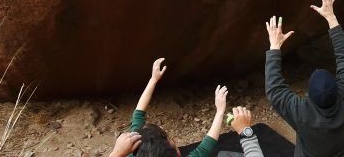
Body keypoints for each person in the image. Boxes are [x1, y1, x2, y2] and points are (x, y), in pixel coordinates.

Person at [264, 0, 344, 157]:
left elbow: (274, 90)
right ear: (337, 90)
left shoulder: (302, 113)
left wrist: (275, 46)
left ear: (309, 96)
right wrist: (331, 17)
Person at [109, 59, 267, 157]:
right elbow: (207, 145)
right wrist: (219, 111)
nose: (173, 139)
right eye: (171, 141)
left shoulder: (135, 149)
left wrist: (153, 79)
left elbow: (138, 113)